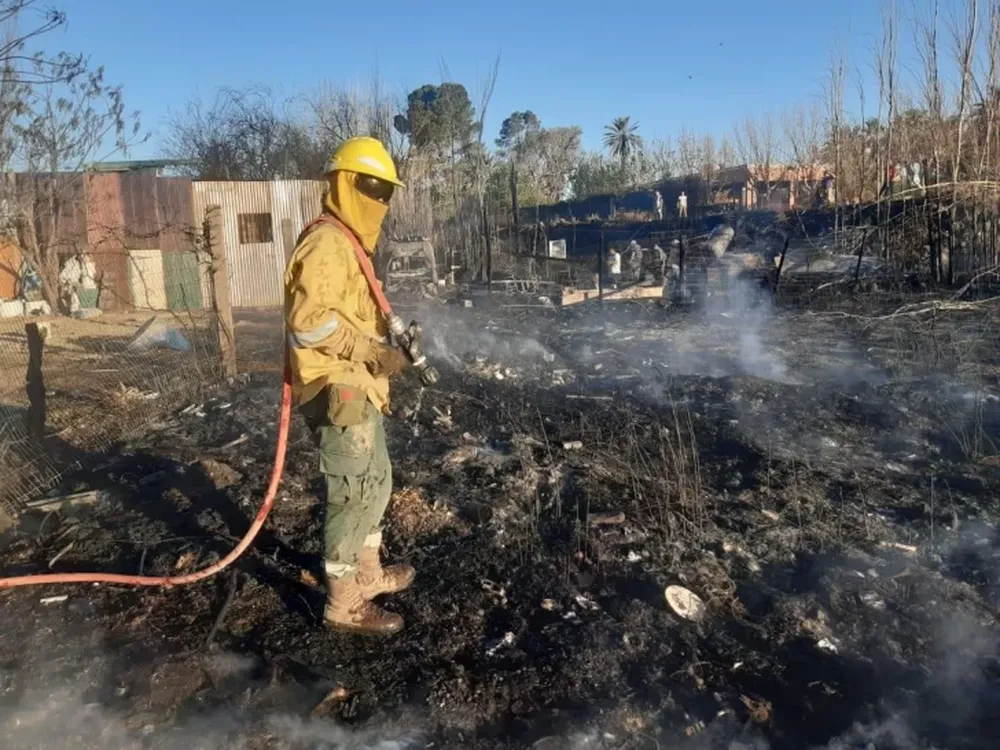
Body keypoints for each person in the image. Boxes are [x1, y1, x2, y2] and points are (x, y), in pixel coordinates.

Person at [284, 136, 414, 636]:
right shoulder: (326, 243)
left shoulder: (348, 245)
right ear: (346, 183)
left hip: (360, 385)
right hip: (338, 388)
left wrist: (387, 344)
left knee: (376, 481)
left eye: (386, 191)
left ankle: (367, 575)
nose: (379, 200)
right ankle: (343, 604)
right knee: (351, 493)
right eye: (373, 187)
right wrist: (369, 352)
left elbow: (351, 315)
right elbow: (308, 323)